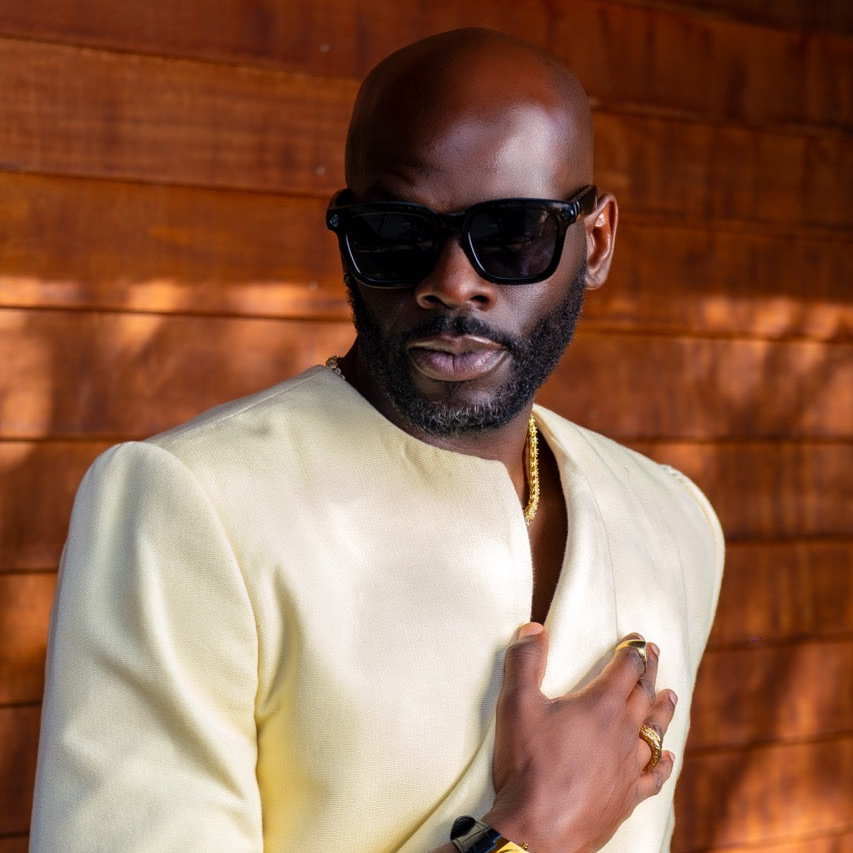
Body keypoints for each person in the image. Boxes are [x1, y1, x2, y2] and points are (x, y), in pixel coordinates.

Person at [30, 27, 724, 853]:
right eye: (396, 234)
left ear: (597, 241)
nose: (451, 283)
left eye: (512, 235)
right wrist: (529, 834)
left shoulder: (673, 520)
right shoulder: (193, 505)